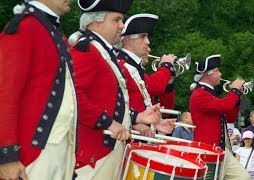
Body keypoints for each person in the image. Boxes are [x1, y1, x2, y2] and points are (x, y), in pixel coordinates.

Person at [69, 0, 162, 179]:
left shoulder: (102, 51)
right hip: (94, 154)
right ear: (96, 22)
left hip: (108, 149)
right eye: (117, 20)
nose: (122, 26)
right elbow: (73, 96)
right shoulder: (87, 50)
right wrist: (108, 123)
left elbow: (114, 101)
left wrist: (138, 117)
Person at [0, 0, 77, 179]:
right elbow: (5, 94)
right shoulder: (24, 28)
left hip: (57, 149)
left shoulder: (54, 31)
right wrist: (6, 156)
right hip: (33, 153)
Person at [189, 54, 250, 180]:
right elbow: (225, 106)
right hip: (208, 150)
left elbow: (230, 118)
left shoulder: (210, 95)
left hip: (221, 149)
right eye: (217, 71)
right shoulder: (199, 94)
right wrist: (235, 91)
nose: (221, 74)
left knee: (243, 177)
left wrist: (237, 98)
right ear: (208, 74)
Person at [116, 13, 177, 136]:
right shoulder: (123, 64)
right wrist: (166, 66)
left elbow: (158, 103)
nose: (148, 42)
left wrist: (169, 82)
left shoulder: (133, 66)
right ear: (127, 38)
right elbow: (154, 87)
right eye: (143, 36)